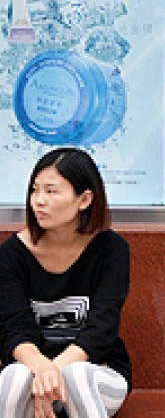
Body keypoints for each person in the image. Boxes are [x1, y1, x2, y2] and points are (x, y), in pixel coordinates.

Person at [0, 148, 131, 418]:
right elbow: (13, 327)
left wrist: (54, 371)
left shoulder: (111, 250)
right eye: (35, 190)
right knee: (14, 376)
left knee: (76, 375)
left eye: (51, 191)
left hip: (98, 373)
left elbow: (102, 328)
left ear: (85, 199)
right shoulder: (11, 254)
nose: (39, 201)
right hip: (33, 374)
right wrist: (42, 370)